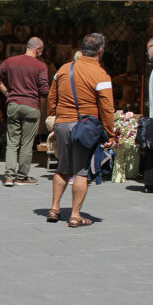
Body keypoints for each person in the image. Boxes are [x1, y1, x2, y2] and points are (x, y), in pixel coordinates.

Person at [47, 33, 115, 227]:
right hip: (84, 127)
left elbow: (52, 96)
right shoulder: (101, 74)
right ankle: (75, 215)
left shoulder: (63, 69)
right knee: (81, 171)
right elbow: (107, 107)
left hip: (62, 123)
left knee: (62, 167)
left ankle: (54, 208)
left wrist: (55, 115)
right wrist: (110, 133)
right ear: (101, 51)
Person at [0, 36, 49, 186]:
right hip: (31, 106)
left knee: (12, 142)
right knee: (27, 143)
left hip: (14, 104)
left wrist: (6, 92)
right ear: (38, 49)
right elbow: (44, 90)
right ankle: (22, 176)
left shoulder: (11, 61)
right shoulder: (41, 66)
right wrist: (41, 108)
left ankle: (9, 177)